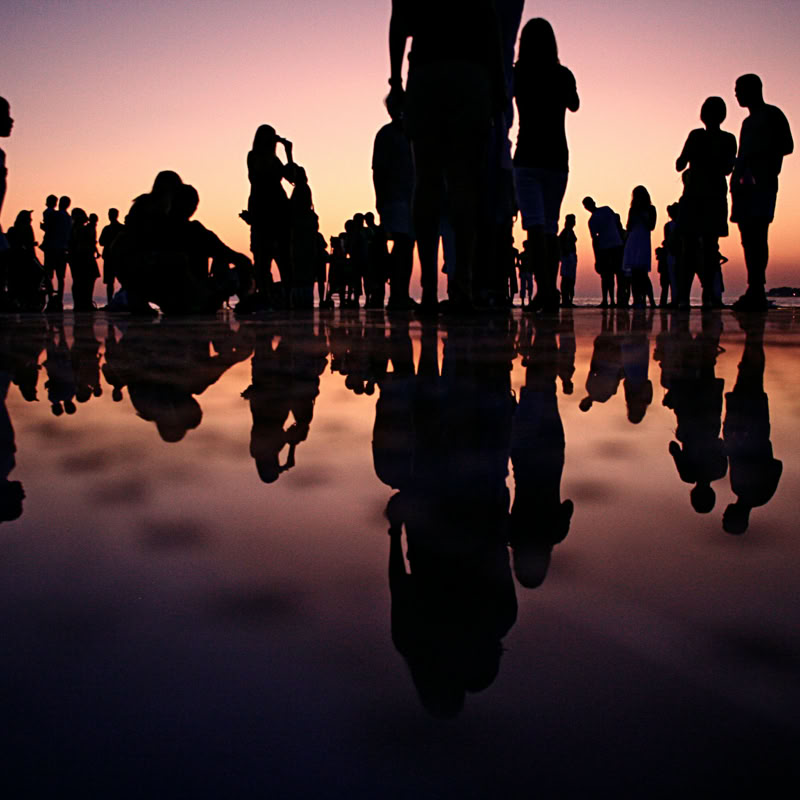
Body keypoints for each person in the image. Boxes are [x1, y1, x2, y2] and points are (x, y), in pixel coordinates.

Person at [388, 0, 505, 312]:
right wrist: (497, 89)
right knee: (464, 184)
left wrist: (396, 81)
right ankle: (462, 288)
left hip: (428, 71)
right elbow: (490, 23)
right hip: (471, 75)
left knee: (426, 181)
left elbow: (400, 19)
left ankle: (429, 290)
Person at [513, 18, 579, 313]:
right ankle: (549, 291)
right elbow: (574, 104)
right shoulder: (562, 74)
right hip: (556, 158)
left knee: (536, 229)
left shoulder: (519, 74)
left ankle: (545, 292)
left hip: (528, 156)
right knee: (549, 228)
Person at [730, 74, 793, 311]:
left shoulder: (772, 115)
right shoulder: (747, 123)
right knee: (748, 238)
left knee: (758, 235)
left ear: (753, 89)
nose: (736, 94)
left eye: (739, 89)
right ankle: (753, 286)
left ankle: (757, 288)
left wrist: (759, 158)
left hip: (763, 184)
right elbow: (742, 154)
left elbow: (787, 145)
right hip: (743, 187)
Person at [675, 97, 737, 308]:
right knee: (710, 248)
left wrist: (695, 159)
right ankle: (708, 296)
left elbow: (679, 163)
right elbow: (728, 168)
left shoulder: (696, 136)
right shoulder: (728, 139)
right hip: (714, 197)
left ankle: (684, 297)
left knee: (689, 249)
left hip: (695, 196)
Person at [242, 125, 296, 308]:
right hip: (263, 210)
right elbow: (260, 175)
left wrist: (289, 154)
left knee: (284, 258)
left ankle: (287, 298)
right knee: (262, 259)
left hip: (278, 209)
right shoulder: (254, 157)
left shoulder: (274, 159)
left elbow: (292, 178)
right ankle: (265, 296)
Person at [372, 91, 415, 310]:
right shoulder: (386, 135)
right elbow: (378, 171)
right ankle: (398, 293)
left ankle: (401, 292)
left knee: (407, 246)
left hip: (410, 198)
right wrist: (381, 199)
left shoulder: (412, 133)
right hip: (394, 199)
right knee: (403, 244)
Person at [582, 197, 624, 308]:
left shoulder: (604, 211)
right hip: (609, 247)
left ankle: (614, 300)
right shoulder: (602, 213)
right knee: (610, 275)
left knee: (612, 275)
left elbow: (617, 224)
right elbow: (595, 240)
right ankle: (610, 300)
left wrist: (597, 258)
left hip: (611, 247)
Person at [622, 186, 657, 309]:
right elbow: (629, 226)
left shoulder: (651, 209)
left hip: (643, 240)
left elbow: (652, 226)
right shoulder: (633, 210)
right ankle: (637, 299)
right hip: (633, 240)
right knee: (634, 273)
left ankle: (648, 299)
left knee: (642, 273)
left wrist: (643, 217)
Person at [68, 208, 100, 311]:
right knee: (85, 280)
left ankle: (81, 303)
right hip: (83, 257)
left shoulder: (75, 228)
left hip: (79, 257)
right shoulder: (79, 229)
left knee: (80, 280)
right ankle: (84, 303)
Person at [99, 208, 124, 305]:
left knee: (113, 282)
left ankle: (112, 301)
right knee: (113, 282)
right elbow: (101, 242)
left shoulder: (108, 229)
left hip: (116, 258)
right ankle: (111, 302)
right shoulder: (121, 228)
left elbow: (101, 242)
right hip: (114, 258)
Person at [558, 213, 577, 307]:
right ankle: (566, 300)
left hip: (570, 257)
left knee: (570, 279)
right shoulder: (566, 232)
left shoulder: (569, 231)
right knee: (567, 279)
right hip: (567, 257)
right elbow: (561, 244)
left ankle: (568, 299)